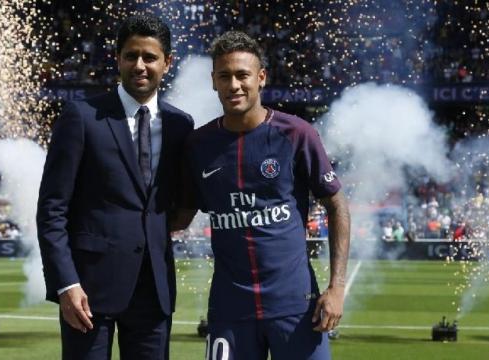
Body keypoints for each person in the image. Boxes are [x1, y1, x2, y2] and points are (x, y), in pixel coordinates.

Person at [173, 31, 351, 360]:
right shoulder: (198, 146)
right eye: (224, 76)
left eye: (243, 75)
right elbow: (179, 216)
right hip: (230, 308)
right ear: (213, 81)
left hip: (295, 307)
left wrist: (336, 288)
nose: (234, 85)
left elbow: (337, 205)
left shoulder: (296, 133)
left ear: (261, 78)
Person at [37, 15, 193, 360]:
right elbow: (52, 209)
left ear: (167, 63)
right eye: (131, 55)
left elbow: (179, 201)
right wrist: (66, 284)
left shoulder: (182, 125)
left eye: (150, 57)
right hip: (87, 292)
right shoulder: (81, 117)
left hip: (154, 291)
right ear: (117, 59)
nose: (140, 65)